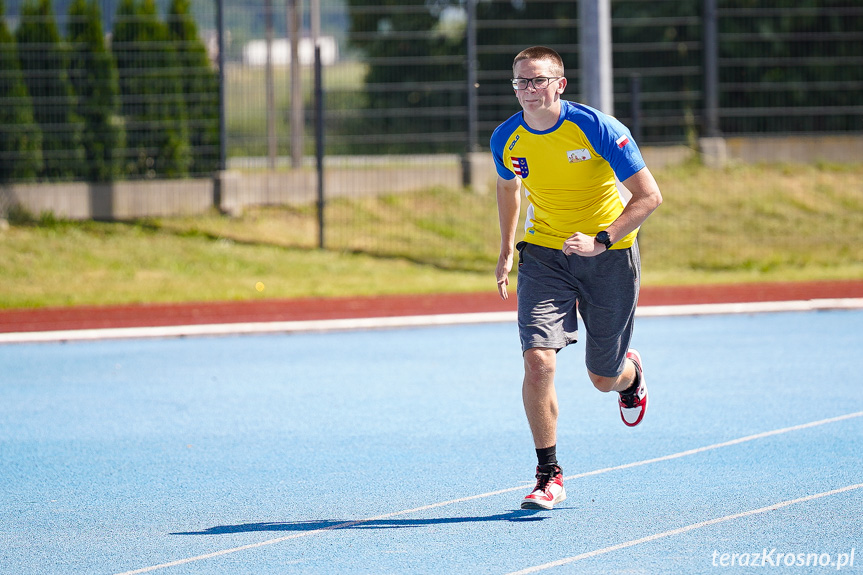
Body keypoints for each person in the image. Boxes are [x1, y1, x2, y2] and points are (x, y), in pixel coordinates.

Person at [491, 46, 663, 510]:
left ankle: (630, 376)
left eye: (538, 81)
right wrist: (507, 247)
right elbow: (509, 187)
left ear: (559, 84)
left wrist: (601, 240)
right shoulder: (506, 138)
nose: (528, 90)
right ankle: (549, 474)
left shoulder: (598, 128)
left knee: (601, 377)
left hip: (609, 255)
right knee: (538, 362)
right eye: (520, 82)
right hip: (544, 253)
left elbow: (649, 197)